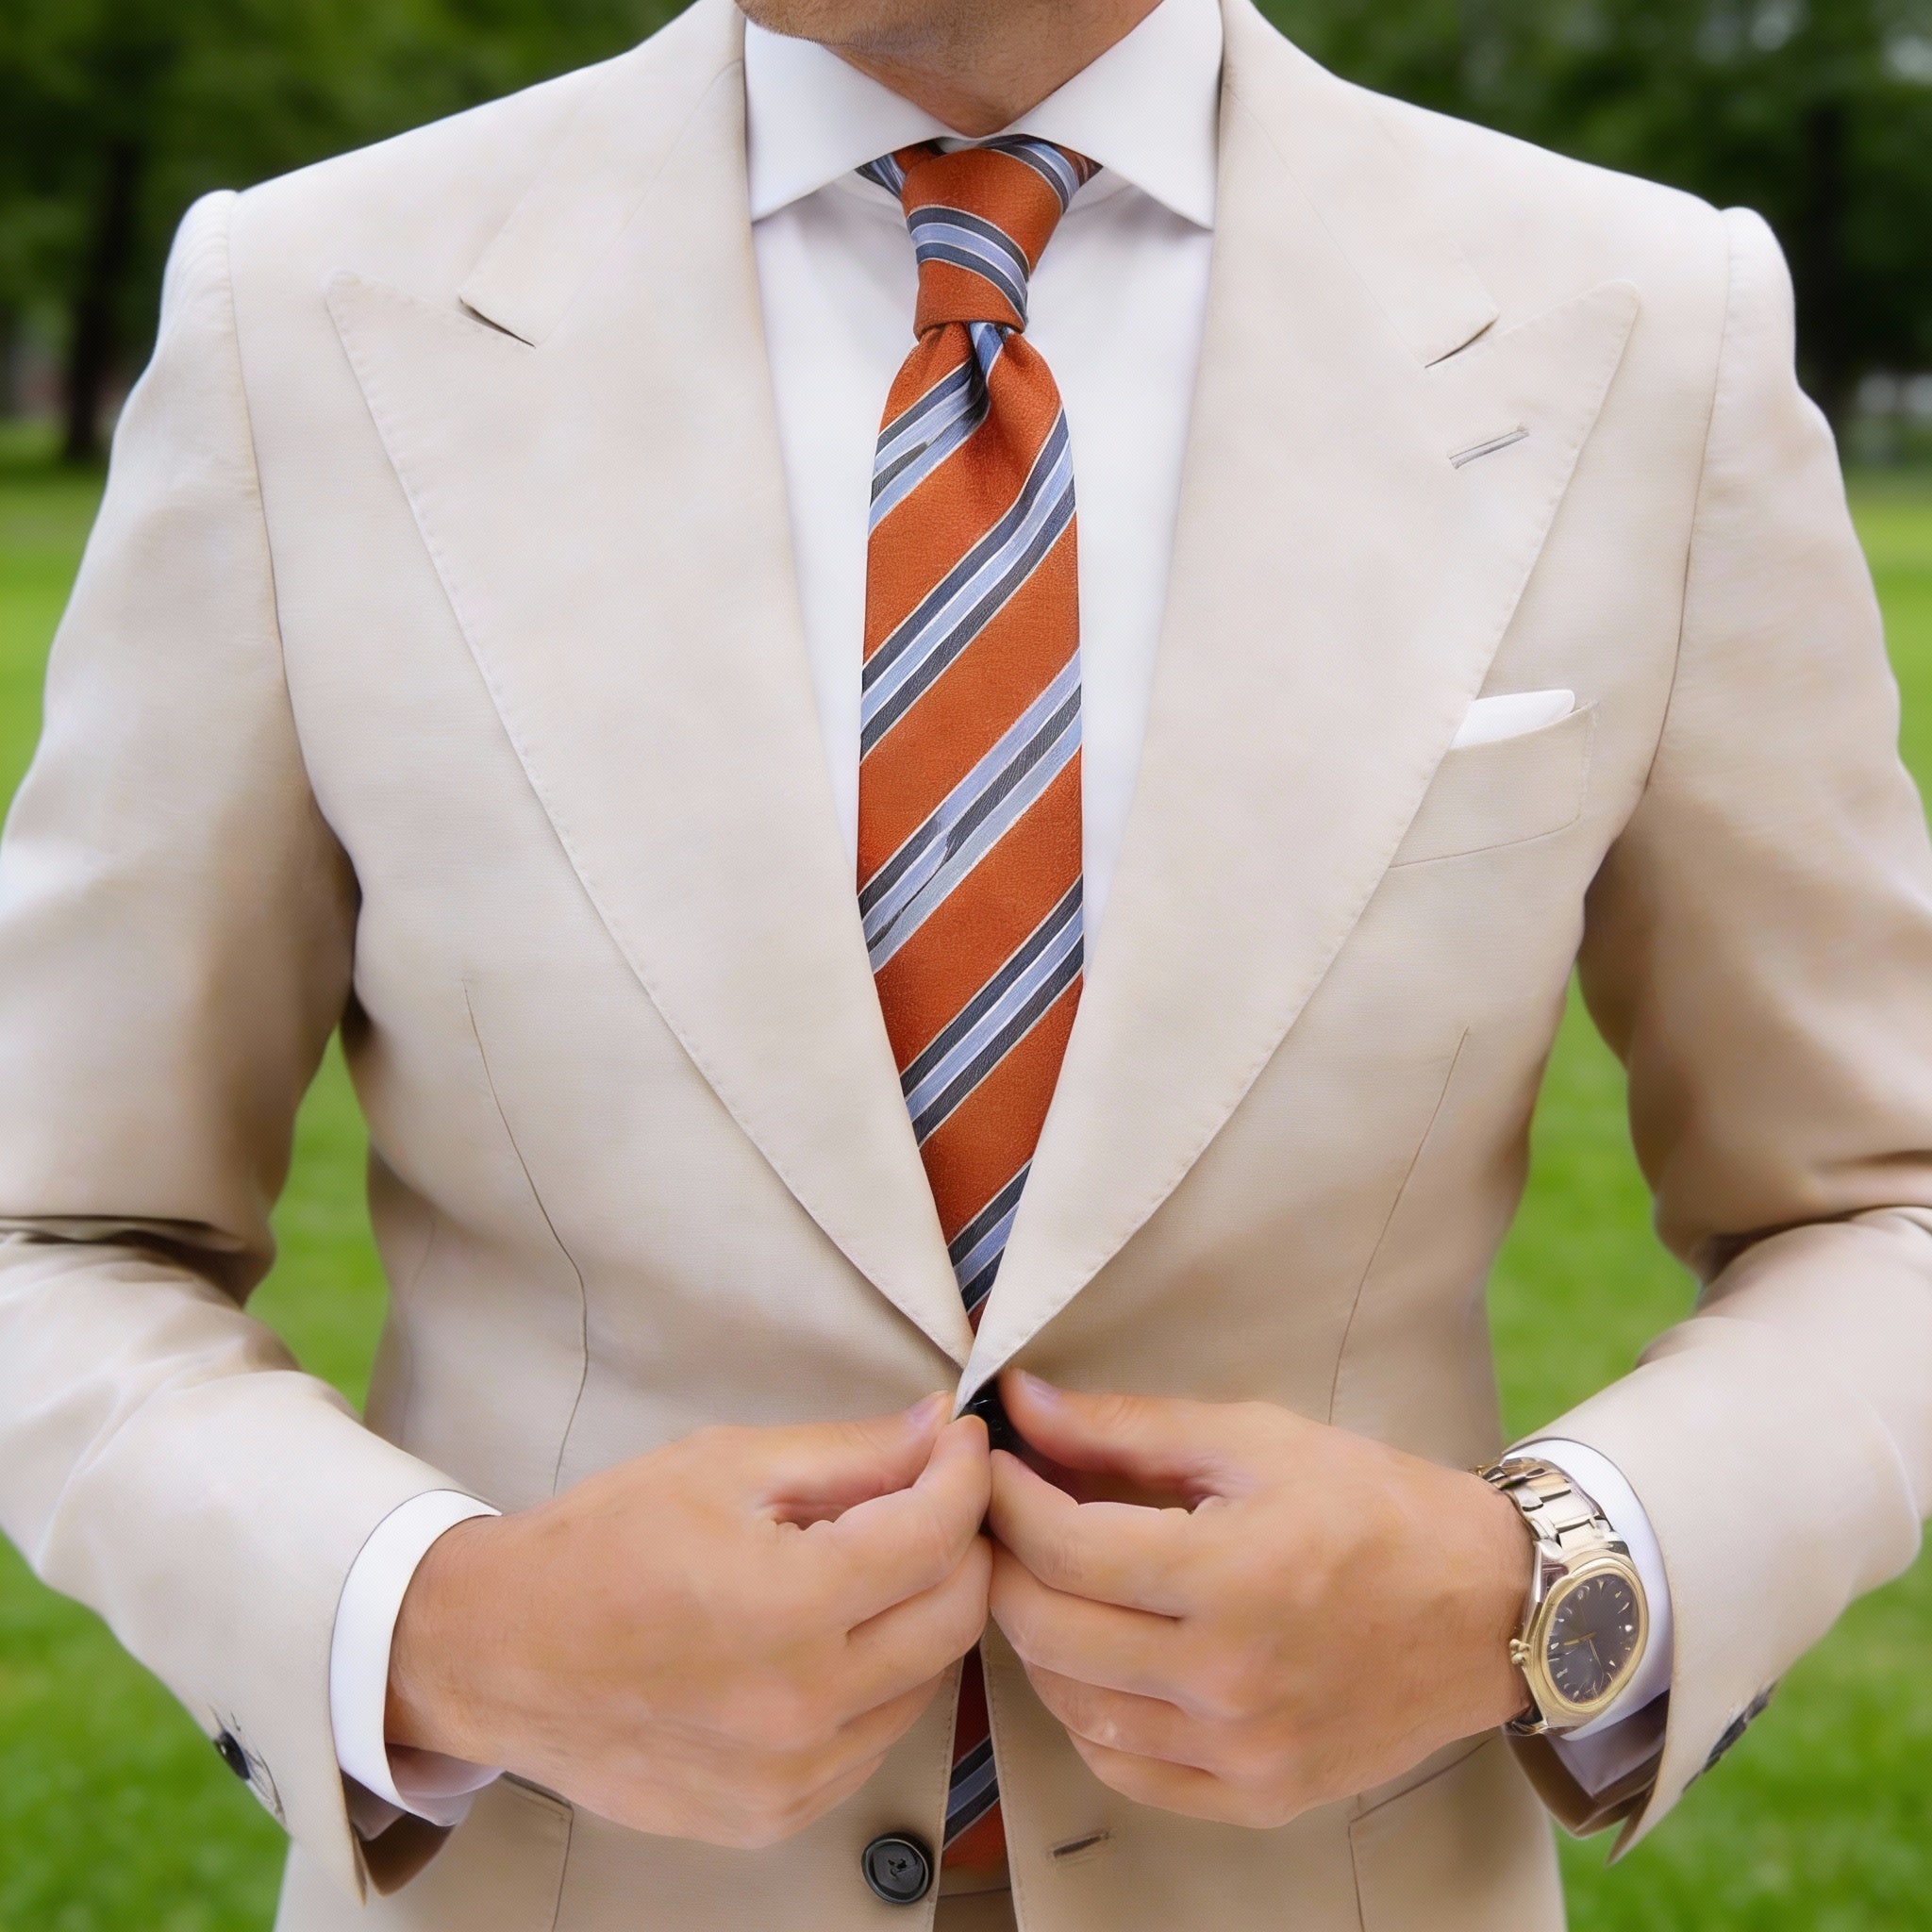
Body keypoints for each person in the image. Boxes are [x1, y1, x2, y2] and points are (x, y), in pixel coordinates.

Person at [2, 0, 1928, 1923]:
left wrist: (1542, 1587)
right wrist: (443, 1628)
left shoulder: (1643, 326)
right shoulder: (308, 312)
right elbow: (52, 1230)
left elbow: (1882, 1204)